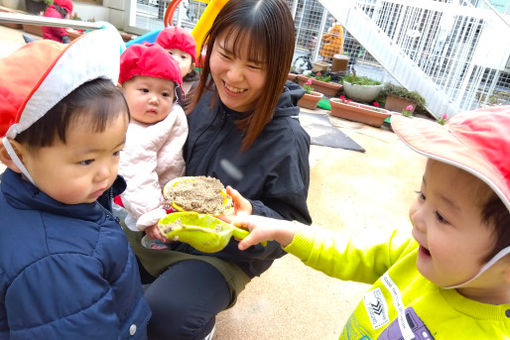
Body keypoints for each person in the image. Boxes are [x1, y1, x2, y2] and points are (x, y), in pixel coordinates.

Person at [230, 107, 510, 339]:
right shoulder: (411, 254)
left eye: (442, 216)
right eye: (423, 195)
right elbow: (349, 254)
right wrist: (284, 230)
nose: (417, 216)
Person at [122, 0, 312, 339]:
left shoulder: (288, 139)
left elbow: (289, 229)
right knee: (91, 258)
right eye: (225, 55)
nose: (233, 76)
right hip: (165, 228)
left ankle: (198, 324)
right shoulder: (201, 94)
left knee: (165, 314)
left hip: (221, 257)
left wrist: (248, 216)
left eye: (254, 65)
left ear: (279, 67)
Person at [0, 28, 151, 338]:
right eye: (86, 160)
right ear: (13, 153)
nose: (106, 173)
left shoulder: (54, 194)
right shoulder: (54, 265)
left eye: (115, 152)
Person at [117, 43, 188, 246]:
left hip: (167, 195)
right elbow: (136, 175)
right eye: (145, 90)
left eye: (165, 94)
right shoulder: (132, 130)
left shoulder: (170, 116)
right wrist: (151, 215)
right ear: (122, 91)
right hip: (140, 205)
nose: (155, 100)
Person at [156, 26, 199, 104]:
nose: (175, 60)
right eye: (170, 53)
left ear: (191, 67)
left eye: (183, 57)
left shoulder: (192, 90)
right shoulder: (146, 77)